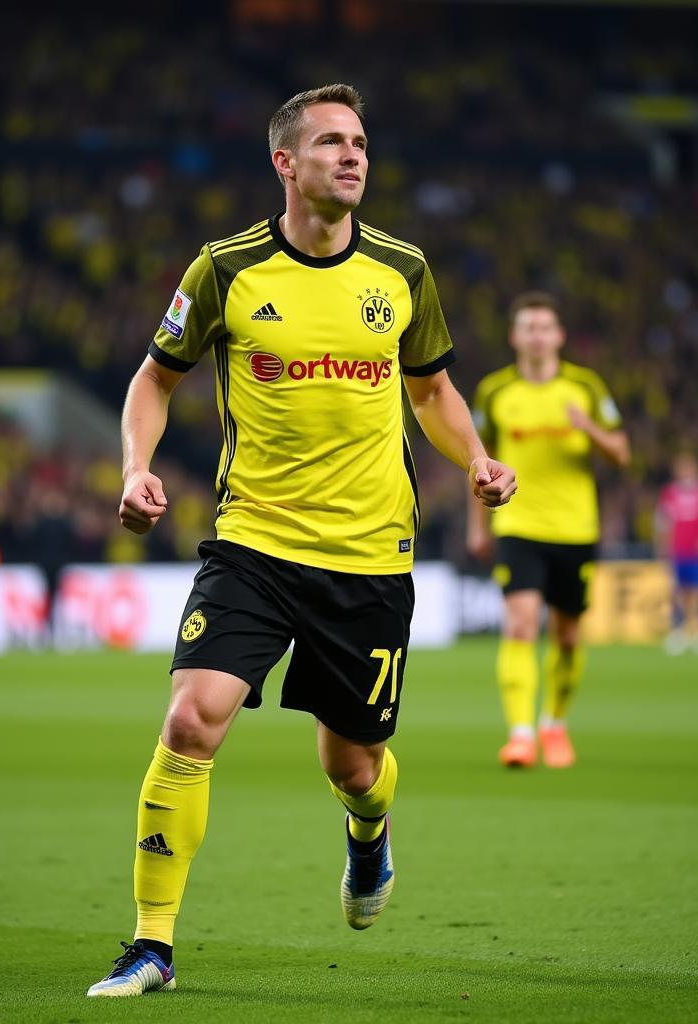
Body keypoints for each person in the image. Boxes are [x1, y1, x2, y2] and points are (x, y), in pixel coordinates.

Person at [87, 84, 517, 998]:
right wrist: (135, 469)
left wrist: (476, 456)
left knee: (352, 764)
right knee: (190, 719)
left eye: (360, 141)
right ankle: (151, 944)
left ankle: (369, 836)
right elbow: (154, 380)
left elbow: (432, 390)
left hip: (368, 559)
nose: (353, 156)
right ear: (286, 163)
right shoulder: (226, 269)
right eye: (331, 143)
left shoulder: (401, 271)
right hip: (253, 544)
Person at [466, 292, 629, 770]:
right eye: (528, 327)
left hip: (575, 528)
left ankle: (554, 724)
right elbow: (479, 462)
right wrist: (479, 526)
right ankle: (520, 735)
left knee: (569, 635)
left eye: (545, 327)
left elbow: (622, 453)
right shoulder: (495, 392)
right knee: (519, 622)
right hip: (518, 524)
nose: (537, 335)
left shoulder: (585, 387)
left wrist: (588, 429)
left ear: (559, 335)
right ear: (515, 336)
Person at [655, 452, 698, 655]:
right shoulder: (669, 493)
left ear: (695, 469)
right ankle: (679, 631)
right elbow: (663, 523)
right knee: (678, 592)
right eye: (681, 468)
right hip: (678, 550)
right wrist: (663, 547)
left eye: (688, 467)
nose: (684, 472)